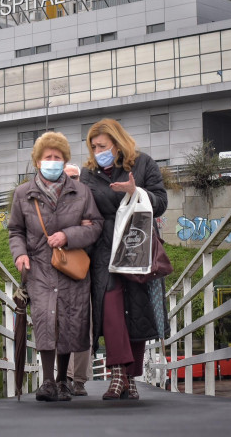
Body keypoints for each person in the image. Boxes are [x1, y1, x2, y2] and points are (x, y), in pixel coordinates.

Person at [9, 132, 102, 402]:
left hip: (70, 266)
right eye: (47, 157)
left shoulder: (81, 191)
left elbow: (96, 226)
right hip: (38, 266)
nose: (52, 161)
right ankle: (47, 381)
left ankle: (64, 380)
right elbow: (15, 230)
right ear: (37, 161)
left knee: (69, 322)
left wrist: (69, 235)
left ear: (65, 161)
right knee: (45, 321)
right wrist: (19, 255)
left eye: (57, 157)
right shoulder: (23, 194)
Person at [81, 118, 168, 400]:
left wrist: (136, 192)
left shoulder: (143, 164)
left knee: (137, 308)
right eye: (93, 146)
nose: (97, 151)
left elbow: (161, 201)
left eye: (102, 145)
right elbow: (83, 208)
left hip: (136, 244)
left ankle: (130, 378)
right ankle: (118, 374)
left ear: (117, 144)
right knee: (110, 307)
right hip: (104, 248)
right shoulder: (88, 174)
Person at [63, 162, 93, 397]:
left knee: (83, 325)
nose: (72, 181)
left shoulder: (88, 201)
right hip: (57, 270)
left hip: (84, 270)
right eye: (68, 177)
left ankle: (78, 379)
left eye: (75, 176)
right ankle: (62, 377)